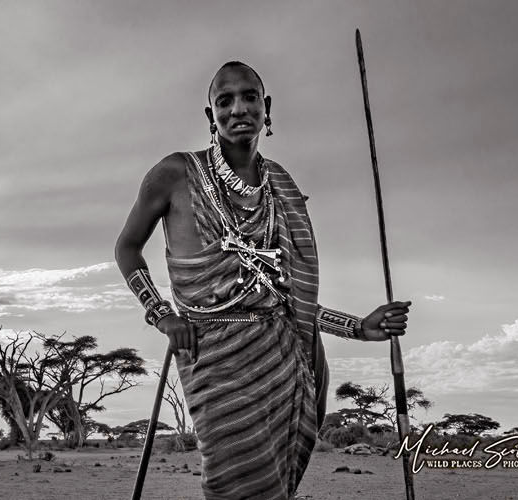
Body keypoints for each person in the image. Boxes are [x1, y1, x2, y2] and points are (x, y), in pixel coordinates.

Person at [114, 61, 412, 499]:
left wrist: (358, 328)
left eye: (250, 97)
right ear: (209, 115)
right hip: (212, 353)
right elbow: (127, 249)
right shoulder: (175, 173)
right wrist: (160, 315)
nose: (239, 108)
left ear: (266, 107)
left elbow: (285, 298)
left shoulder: (282, 186)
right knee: (232, 481)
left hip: (283, 357)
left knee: (272, 486)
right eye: (225, 100)